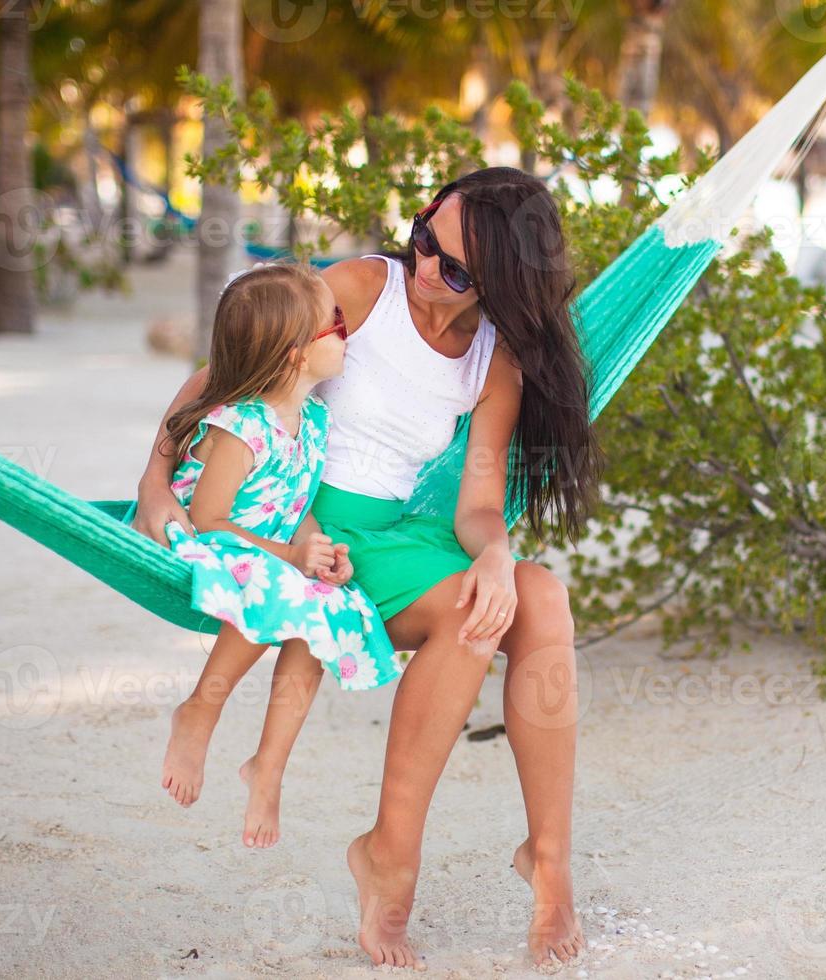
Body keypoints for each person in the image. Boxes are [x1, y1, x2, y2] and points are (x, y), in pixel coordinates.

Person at [134, 167, 604, 970]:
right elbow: (230, 373)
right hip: (309, 529)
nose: (425, 269)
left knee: (539, 595)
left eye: (454, 269)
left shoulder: (494, 362)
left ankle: (549, 855)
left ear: (499, 282)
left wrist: (497, 550)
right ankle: (389, 856)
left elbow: (478, 504)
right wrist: (152, 484)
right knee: (470, 611)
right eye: (425, 238)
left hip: (402, 535)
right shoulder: (358, 289)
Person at [157, 261, 402, 849]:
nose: (346, 332)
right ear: (296, 355)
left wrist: (318, 551)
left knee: (324, 609)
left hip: (271, 551)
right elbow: (211, 518)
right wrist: (289, 558)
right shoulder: (242, 427)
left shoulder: (313, 421)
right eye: (334, 324)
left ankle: (269, 764)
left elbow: (297, 503)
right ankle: (200, 709)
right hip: (212, 540)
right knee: (280, 586)